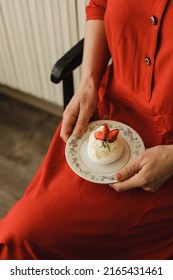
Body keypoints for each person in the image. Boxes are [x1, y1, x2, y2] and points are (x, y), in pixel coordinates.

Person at [0, 0, 173, 260]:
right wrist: (88, 83)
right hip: (109, 110)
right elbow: (99, 6)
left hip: (166, 160)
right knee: (20, 235)